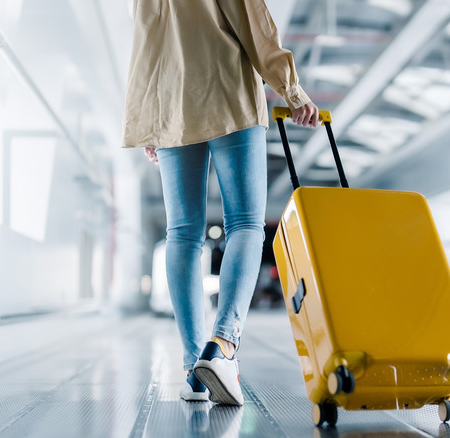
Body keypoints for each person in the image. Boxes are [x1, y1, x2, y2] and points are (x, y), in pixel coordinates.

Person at [122, 0, 318, 406]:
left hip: (171, 106)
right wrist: (292, 91)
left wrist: (147, 121)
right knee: (245, 223)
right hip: (230, 95)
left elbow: (145, 42)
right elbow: (255, 26)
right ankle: (224, 344)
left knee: (183, 234)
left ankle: (195, 370)